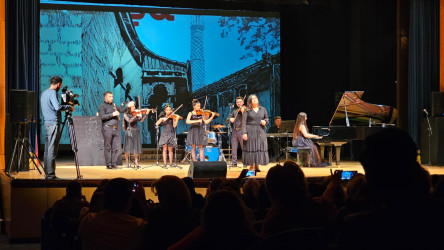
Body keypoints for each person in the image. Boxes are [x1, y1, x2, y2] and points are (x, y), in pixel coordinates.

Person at [40, 76, 75, 179]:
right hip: (53, 124)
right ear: (58, 84)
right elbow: (57, 107)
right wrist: (69, 106)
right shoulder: (52, 93)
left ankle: (48, 173)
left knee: (47, 150)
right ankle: (51, 175)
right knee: (52, 150)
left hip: (47, 123)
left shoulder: (44, 93)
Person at [98, 91, 134, 169]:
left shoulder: (114, 105)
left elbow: (121, 110)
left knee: (115, 147)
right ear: (105, 97)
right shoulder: (102, 106)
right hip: (107, 128)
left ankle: (113, 163)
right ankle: (108, 164)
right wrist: (112, 114)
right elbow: (102, 117)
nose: (112, 98)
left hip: (115, 128)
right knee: (108, 147)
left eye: (112, 96)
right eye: (110, 96)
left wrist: (128, 106)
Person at [242, 94, 269, 171]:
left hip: (260, 130)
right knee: (251, 147)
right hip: (250, 130)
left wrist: (265, 121)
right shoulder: (247, 111)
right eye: (253, 99)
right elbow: (243, 123)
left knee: (259, 147)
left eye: (256, 98)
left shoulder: (263, 109)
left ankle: (257, 165)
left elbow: (267, 118)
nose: (255, 99)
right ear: (250, 101)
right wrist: (244, 133)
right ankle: (251, 166)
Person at [123, 102, 149, 169]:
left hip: (136, 130)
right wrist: (135, 116)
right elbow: (129, 121)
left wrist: (146, 115)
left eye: (134, 106)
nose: (135, 108)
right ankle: (126, 162)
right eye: (133, 107)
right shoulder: (126, 114)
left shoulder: (136, 113)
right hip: (129, 131)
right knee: (127, 147)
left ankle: (136, 161)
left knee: (136, 147)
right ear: (129, 108)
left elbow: (142, 120)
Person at [156, 104, 179, 168]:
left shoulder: (173, 117)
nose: (169, 111)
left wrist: (176, 119)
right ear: (165, 111)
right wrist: (161, 120)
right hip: (164, 134)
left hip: (171, 133)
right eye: (167, 110)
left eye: (170, 110)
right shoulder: (163, 118)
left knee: (170, 150)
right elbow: (157, 124)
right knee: (164, 149)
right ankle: (165, 163)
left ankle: (171, 163)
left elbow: (174, 126)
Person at [228, 96, 245, 167]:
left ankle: (245, 162)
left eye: (240, 102)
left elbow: (246, 116)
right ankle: (234, 163)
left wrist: (242, 110)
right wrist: (230, 119)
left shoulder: (244, 109)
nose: (238, 103)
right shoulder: (234, 111)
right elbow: (228, 118)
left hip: (242, 130)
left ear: (243, 102)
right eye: (237, 102)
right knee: (234, 148)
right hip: (234, 130)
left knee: (244, 147)